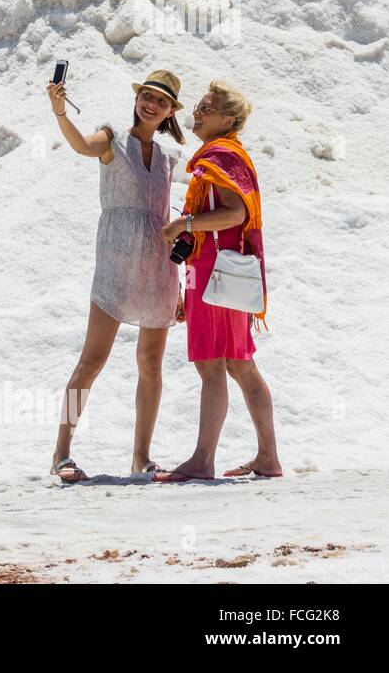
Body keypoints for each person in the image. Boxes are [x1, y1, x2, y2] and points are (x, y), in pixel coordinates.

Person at [48, 69, 186, 483]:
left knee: (151, 363)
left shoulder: (166, 156)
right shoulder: (110, 138)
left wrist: (179, 285)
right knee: (91, 360)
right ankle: (60, 453)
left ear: (168, 112)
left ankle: (141, 458)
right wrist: (59, 112)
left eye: (161, 101)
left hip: (159, 267)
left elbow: (166, 219)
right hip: (114, 261)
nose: (151, 104)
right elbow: (80, 146)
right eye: (147, 95)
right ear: (138, 98)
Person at [155, 81, 280, 482]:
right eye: (198, 105)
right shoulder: (224, 154)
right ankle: (267, 458)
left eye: (206, 108)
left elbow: (233, 215)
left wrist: (184, 223)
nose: (197, 112)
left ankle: (202, 461)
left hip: (216, 271)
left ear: (228, 120)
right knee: (239, 364)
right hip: (218, 272)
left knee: (213, 364)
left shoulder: (222, 154)